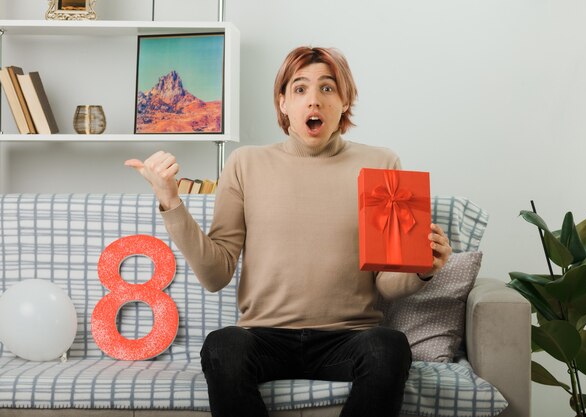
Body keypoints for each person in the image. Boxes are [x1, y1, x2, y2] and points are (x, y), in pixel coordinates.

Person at [125, 46, 452, 417]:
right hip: (264, 336)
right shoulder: (245, 163)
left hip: (349, 338)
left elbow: (386, 283)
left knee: (389, 346)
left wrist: (422, 268)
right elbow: (216, 275)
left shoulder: (381, 162)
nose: (314, 100)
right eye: (300, 89)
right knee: (221, 345)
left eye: (328, 89)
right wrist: (170, 201)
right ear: (282, 103)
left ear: (345, 101)